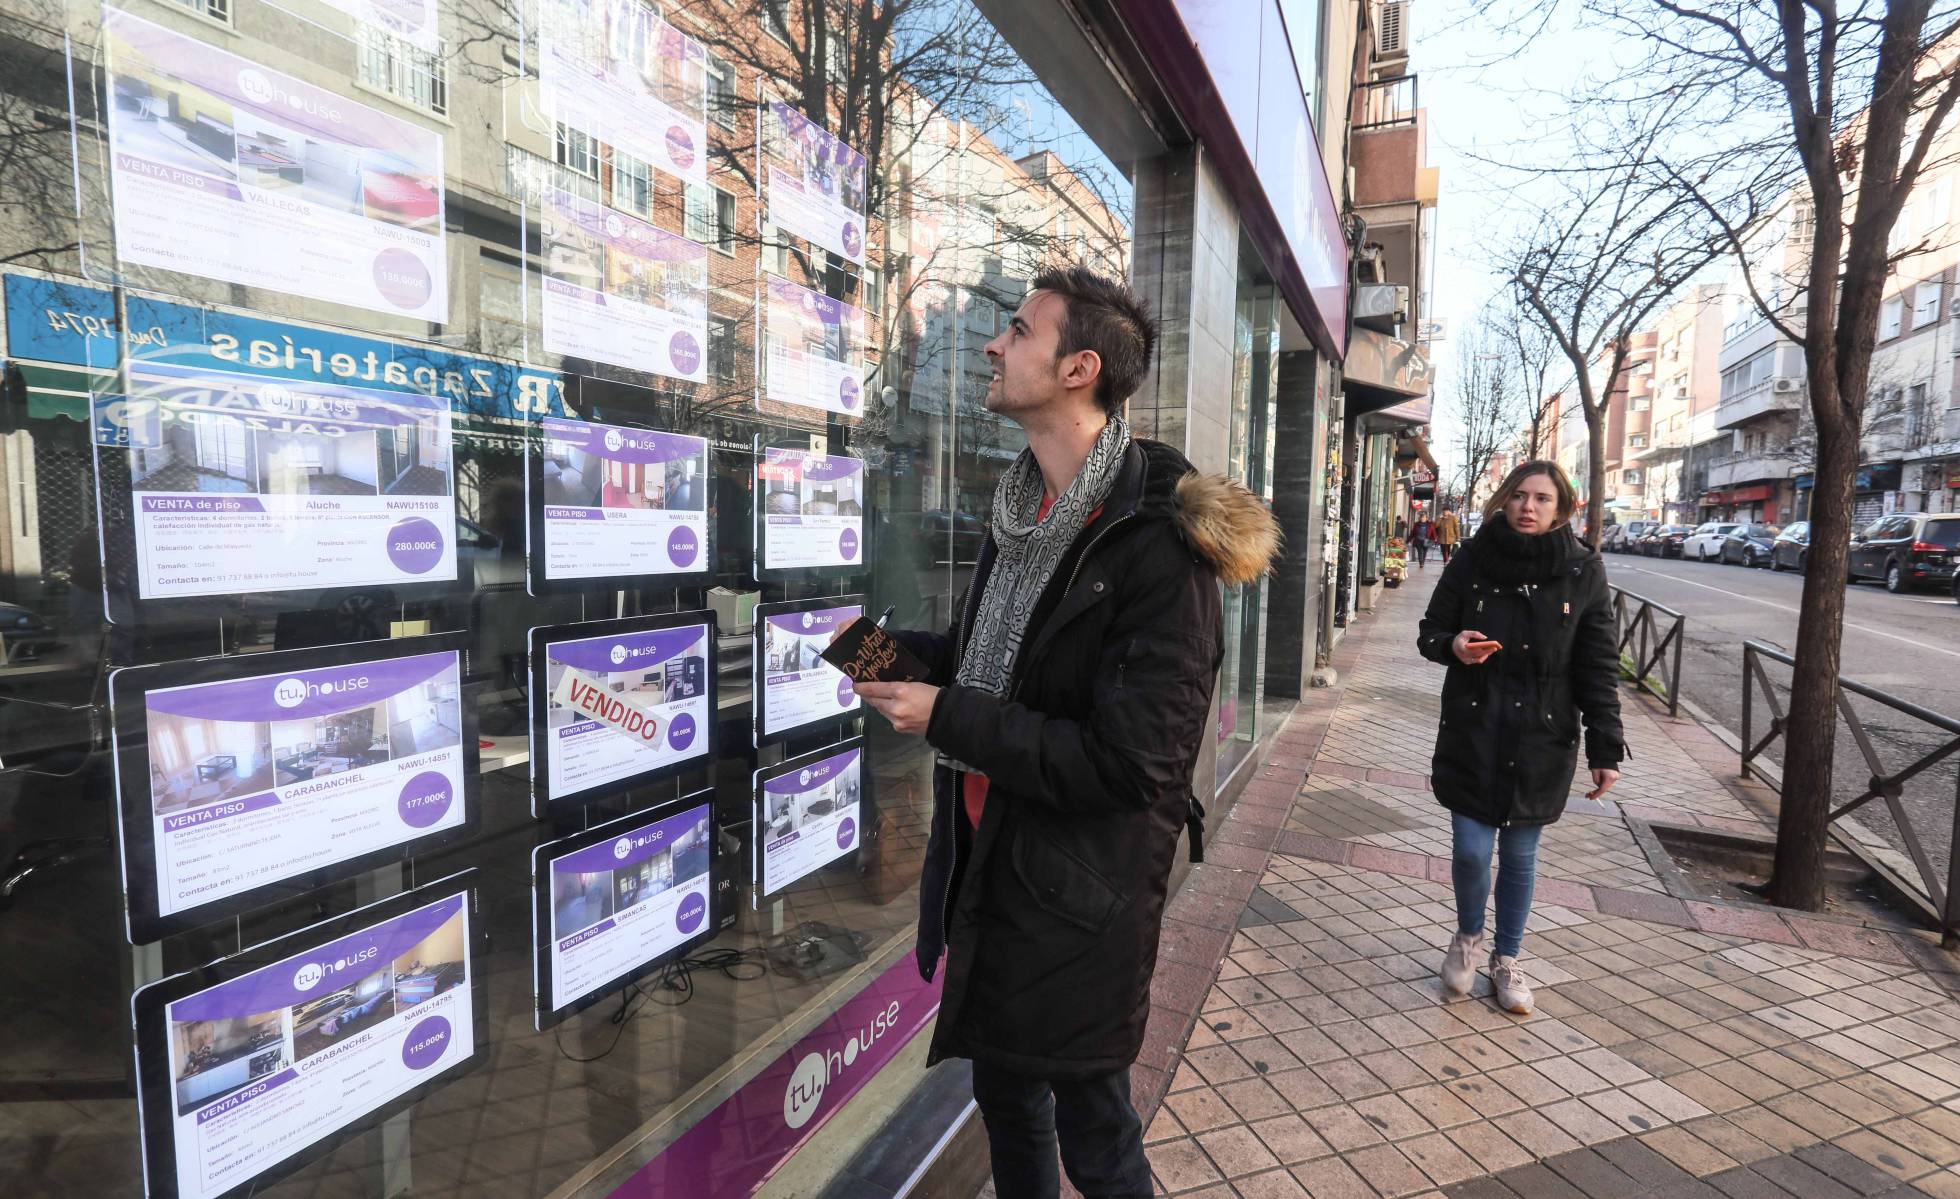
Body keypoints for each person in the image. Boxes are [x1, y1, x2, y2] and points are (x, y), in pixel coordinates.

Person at [852, 267, 1278, 1199]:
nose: (995, 347)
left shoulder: (1158, 549)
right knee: (1006, 1094)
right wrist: (874, 648)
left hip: (1080, 893)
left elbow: (1133, 764)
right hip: (993, 859)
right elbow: (983, 659)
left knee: (1096, 1134)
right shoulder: (1023, 511)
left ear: (1079, 367)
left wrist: (946, 714)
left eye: (1018, 330)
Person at [1415, 460, 1624, 1015]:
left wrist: (1605, 746)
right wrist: (1453, 645)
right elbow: (1430, 631)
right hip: (1474, 727)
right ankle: (1466, 936)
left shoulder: (1584, 571)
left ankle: (1507, 957)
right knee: (1471, 850)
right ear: (1504, 501)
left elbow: (1598, 664)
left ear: (1562, 508)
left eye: (1542, 498)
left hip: (1542, 734)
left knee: (1521, 857)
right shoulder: (1473, 560)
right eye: (1519, 496)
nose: (1528, 507)